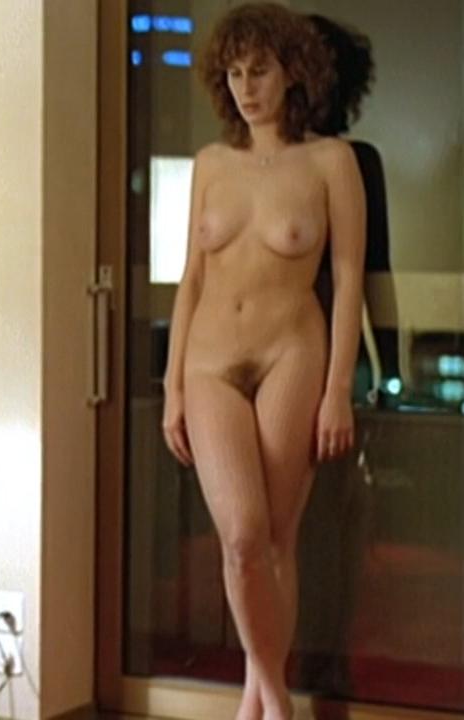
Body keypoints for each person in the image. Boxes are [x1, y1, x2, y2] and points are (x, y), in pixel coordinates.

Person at [162, 5, 366, 720]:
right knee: (244, 538)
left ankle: (255, 703)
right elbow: (190, 279)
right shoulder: (210, 165)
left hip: (292, 355)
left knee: (277, 539)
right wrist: (171, 386)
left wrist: (338, 390)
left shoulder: (331, 162)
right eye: (234, 73)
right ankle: (276, 700)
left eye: (261, 71)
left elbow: (348, 282)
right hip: (209, 362)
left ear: (292, 74)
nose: (246, 88)